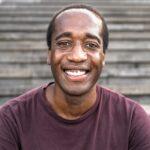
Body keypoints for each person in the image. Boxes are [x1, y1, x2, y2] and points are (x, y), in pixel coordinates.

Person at [0, 4, 150, 150]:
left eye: (91, 45)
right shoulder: (10, 120)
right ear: (49, 54)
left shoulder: (132, 119)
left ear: (103, 57)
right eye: (64, 43)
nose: (77, 56)